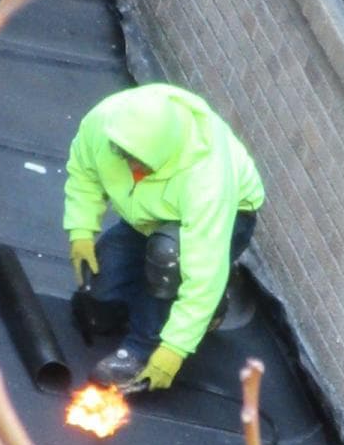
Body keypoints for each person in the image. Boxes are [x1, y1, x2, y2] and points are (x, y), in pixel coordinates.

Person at [63, 83, 264, 392]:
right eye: (125, 156)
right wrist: (81, 228)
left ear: (161, 154)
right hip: (148, 217)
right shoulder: (104, 124)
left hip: (226, 217)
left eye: (141, 162)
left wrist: (175, 348)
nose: (132, 167)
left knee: (166, 259)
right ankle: (182, 308)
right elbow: (84, 173)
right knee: (98, 296)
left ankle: (143, 348)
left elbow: (204, 272)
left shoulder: (206, 180)